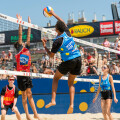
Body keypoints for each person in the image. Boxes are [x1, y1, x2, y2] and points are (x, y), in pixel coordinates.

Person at [42, 10, 81, 114]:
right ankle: (71, 104)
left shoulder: (57, 41)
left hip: (69, 61)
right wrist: (53, 13)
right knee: (71, 83)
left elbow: (51, 56)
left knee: (56, 78)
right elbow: (62, 21)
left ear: (57, 29)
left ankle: (53, 100)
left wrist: (45, 46)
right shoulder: (67, 32)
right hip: (78, 58)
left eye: (55, 27)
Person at [14, 14, 40, 120]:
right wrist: (20, 22)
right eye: (22, 43)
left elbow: (28, 36)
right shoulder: (20, 49)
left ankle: (35, 113)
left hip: (27, 74)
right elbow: (20, 35)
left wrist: (29, 25)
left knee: (30, 94)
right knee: (24, 95)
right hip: (21, 75)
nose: (25, 42)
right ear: (19, 45)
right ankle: (27, 115)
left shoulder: (27, 48)